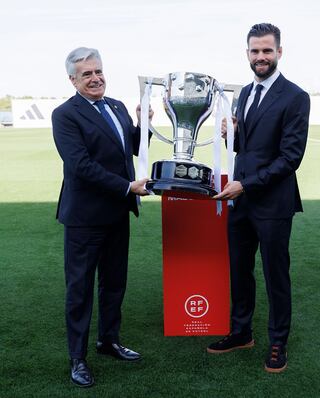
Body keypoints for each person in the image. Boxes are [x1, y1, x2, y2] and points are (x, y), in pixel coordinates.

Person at [207, 23, 310, 373]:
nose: (261, 57)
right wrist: (230, 135)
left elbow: (290, 157)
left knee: (275, 274)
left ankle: (278, 341)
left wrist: (246, 185)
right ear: (247, 53)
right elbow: (246, 150)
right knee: (240, 270)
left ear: (279, 52)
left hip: (272, 202)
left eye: (267, 50)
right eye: (255, 51)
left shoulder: (296, 97)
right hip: (242, 201)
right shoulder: (245, 94)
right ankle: (241, 332)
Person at [52, 47, 153, 387]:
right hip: (84, 218)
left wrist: (144, 122)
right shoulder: (65, 115)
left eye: (98, 71)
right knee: (79, 290)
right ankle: (77, 358)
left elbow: (135, 147)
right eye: (86, 74)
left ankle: (108, 341)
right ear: (73, 80)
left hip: (117, 214)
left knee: (114, 284)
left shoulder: (117, 106)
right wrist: (127, 187)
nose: (95, 78)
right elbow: (80, 166)